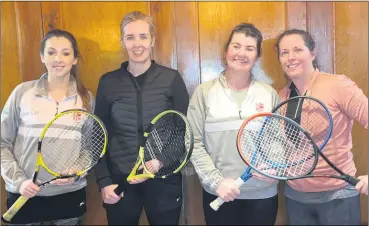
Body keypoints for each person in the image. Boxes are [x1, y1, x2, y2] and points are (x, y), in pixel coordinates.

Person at [93, 11, 189, 225]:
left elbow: (183, 131)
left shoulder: (171, 79)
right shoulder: (108, 82)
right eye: (130, 37)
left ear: (153, 40)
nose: (138, 44)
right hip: (120, 183)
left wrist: (161, 161)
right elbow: (98, 135)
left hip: (163, 181)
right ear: (122, 41)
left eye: (143, 36)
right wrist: (104, 181)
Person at [187, 23, 280, 225]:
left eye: (249, 48)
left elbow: (276, 142)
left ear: (257, 56)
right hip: (220, 194)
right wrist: (217, 182)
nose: (241, 53)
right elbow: (193, 142)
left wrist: (274, 170)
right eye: (236, 46)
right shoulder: (204, 93)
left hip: (262, 195)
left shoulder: (269, 93)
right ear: (225, 51)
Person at [275, 28, 368, 225]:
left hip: (338, 196)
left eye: (298, 50)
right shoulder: (281, 96)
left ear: (313, 53)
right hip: (295, 198)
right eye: (284, 53)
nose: (291, 57)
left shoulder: (338, 85)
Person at [1, 29, 95, 225]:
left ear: (75, 59)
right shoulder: (22, 92)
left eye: (66, 53)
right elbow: (2, 144)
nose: (58, 59)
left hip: (69, 194)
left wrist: (77, 170)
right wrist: (19, 182)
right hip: (25, 193)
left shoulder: (86, 98)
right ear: (42, 56)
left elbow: (89, 147)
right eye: (51, 52)